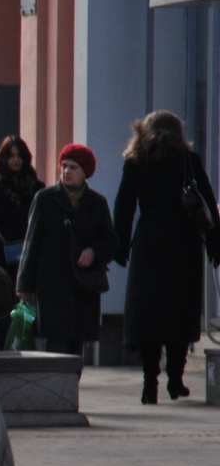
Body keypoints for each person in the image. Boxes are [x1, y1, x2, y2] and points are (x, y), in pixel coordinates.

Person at [113, 111, 220, 404]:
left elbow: (123, 206)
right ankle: (176, 379)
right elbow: (208, 205)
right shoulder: (189, 161)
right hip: (183, 243)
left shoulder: (136, 163)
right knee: (179, 313)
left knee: (149, 316)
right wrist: (215, 245)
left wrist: (120, 247)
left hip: (148, 243)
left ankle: (150, 383)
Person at [16, 143, 117, 357]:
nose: (67, 172)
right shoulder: (45, 199)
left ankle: (70, 386)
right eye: (64, 166)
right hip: (53, 283)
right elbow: (31, 242)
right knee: (57, 343)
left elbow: (110, 241)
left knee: (76, 344)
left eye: (73, 168)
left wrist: (93, 251)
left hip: (83, 285)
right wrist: (24, 284)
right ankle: (59, 387)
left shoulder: (97, 203)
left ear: (85, 173)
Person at [0, 135, 44, 347]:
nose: (15, 160)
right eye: (11, 156)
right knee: (3, 303)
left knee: (27, 301)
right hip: (0, 254)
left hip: (28, 253)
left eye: (19, 156)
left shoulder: (37, 188)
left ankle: (24, 343)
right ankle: (5, 345)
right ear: (3, 159)